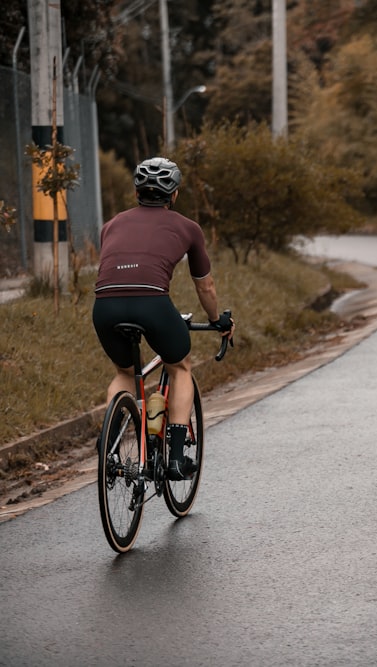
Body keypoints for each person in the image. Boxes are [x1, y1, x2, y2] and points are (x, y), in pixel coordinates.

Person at [92, 157, 233, 480]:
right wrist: (217, 320)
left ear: (137, 192)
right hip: (152, 304)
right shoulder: (188, 228)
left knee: (126, 373)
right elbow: (205, 285)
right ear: (175, 194)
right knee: (180, 366)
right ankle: (175, 458)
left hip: (105, 306)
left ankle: (109, 445)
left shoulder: (110, 225)